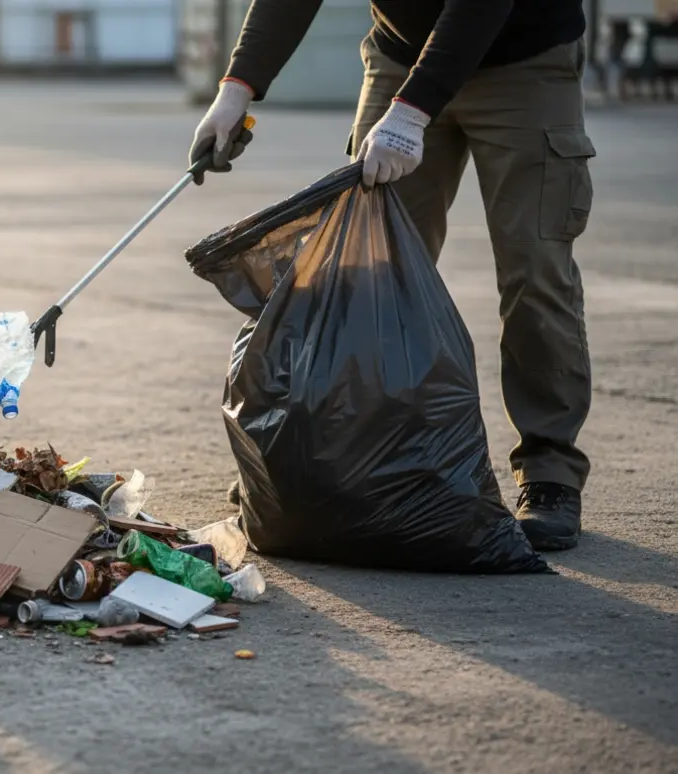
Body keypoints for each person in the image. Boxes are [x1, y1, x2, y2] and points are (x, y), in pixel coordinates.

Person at [191, 0, 595, 551]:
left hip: (522, 61)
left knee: (534, 270)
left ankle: (549, 471)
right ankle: (340, 465)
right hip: (401, 56)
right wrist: (236, 88)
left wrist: (411, 113)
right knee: (359, 271)